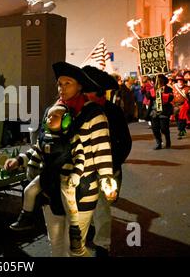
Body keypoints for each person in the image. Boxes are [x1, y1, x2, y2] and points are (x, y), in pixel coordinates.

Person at [9, 62, 116, 257]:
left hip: (82, 188)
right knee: (56, 243)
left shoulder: (94, 114)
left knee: (75, 246)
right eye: (59, 84)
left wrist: (107, 177)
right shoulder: (52, 111)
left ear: (80, 86)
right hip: (51, 187)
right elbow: (42, 144)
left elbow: (102, 149)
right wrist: (21, 160)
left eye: (68, 83)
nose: (62, 88)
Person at [6, 103, 86, 254]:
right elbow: (34, 153)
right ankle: (26, 216)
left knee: (70, 208)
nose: (49, 119)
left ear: (66, 120)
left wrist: (76, 173)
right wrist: (19, 160)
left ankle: (75, 234)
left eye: (55, 116)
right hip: (47, 180)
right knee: (29, 191)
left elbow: (80, 157)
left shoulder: (72, 138)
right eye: (48, 116)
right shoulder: (43, 137)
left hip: (65, 180)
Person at [82, 65, 132, 257]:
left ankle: (103, 246)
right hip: (84, 169)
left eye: (88, 91)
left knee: (102, 207)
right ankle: (92, 232)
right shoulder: (79, 110)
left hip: (107, 170)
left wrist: (110, 166)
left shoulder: (113, 112)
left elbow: (125, 143)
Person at [148, 74, 174, 149]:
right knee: (155, 129)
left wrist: (161, 94)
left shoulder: (168, 89)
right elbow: (147, 95)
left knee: (164, 128)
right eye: (157, 80)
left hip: (164, 111)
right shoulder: (153, 89)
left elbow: (171, 97)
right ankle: (158, 143)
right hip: (154, 111)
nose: (158, 81)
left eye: (160, 80)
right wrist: (152, 93)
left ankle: (167, 140)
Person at [172, 75, 189, 139]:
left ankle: (180, 131)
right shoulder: (173, 87)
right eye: (178, 80)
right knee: (177, 119)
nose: (180, 82)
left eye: (181, 80)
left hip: (184, 106)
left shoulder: (187, 88)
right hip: (175, 105)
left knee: (182, 119)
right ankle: (182, 129)